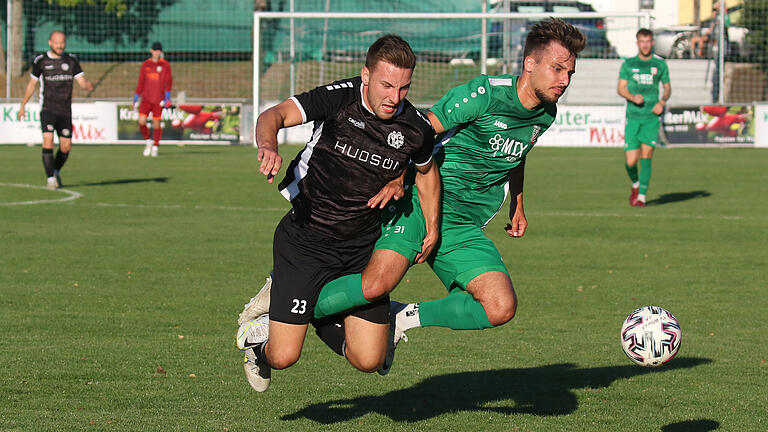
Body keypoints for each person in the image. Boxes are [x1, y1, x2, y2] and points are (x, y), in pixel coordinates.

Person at [239, 18, 586, 375]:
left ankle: (400, 317)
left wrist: (518, 202)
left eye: (570, 73)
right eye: (558, 68)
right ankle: (282, 304)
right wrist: (399, 177)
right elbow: (424, 134)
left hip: (462, 222)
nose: (564, 80)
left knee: (499, 307)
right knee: (374, 285)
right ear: (530, 62)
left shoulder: (546, 113)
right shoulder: (483, 94)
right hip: (415, 205)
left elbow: (515, 152)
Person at [236, 34, 440, 393]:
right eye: (387, 85)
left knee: (368, 360)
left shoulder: (415, 127)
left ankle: (302, 308)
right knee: (284, 356)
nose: (395, 98)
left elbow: (427, 173)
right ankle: (259, 346)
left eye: (404, 88)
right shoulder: (338, 99)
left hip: (361, 249)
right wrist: (268, 146)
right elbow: (275, 115)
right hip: (306, 242)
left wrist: (433, 227)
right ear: (366, 75)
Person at [17, 30, 94, 189]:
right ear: (50, 43)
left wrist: (86, 85)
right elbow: (32, 84)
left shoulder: (71, 60)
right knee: (48, 139)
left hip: (65, 110)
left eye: (62, 42)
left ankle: (56, 170)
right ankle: (50, 178)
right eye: (56, 42)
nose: (60, 45)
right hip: (48, 109)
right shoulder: (41, 61)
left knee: (66, 146)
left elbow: (80, 80)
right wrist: (23, 105)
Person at [617, 28, 671, 207]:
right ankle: (635, 183)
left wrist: (662, 102)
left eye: (648, 41)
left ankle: (642, 197)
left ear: (652, 42)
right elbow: (621, 88)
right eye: (642, 41)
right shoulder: (628, 63)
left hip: (651, 118)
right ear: (637, 43)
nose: (645, 45)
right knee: (630, 162)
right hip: (633, 117)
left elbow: (667, 87)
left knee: (646, 156)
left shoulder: (660, 64)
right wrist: (633, 98)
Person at [133, 41, 172, 157]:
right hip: (146, 99)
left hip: (158, 99)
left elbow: (168, 81)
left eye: (159, 51)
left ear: (161, 52)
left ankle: (155, 146)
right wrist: (136, 96)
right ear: (151, 51)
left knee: (156, 124)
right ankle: (148, 141)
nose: (157, 53)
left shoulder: (165, 65)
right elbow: (141, 81)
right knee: (141, 122)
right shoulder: (146, 64)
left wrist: (168, 96)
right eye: (155, 51)